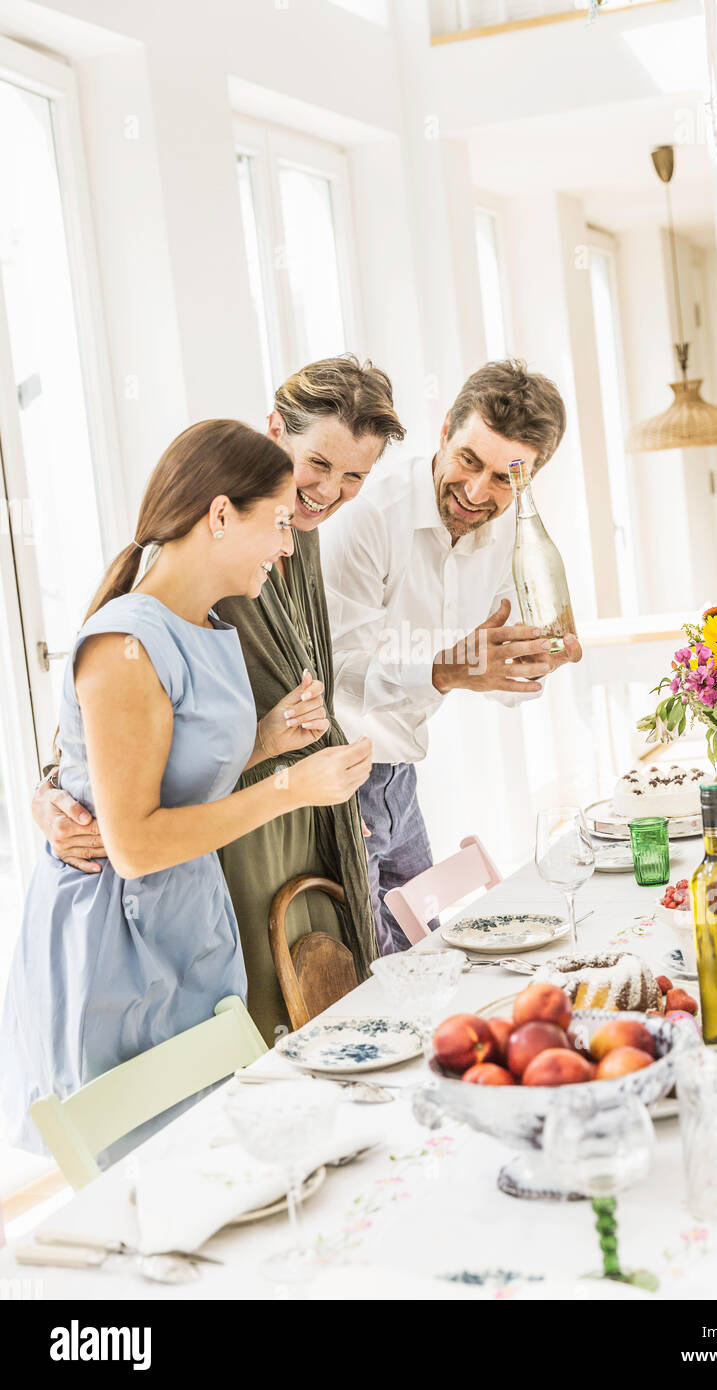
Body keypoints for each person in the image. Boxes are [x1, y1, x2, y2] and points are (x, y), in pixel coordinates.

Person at [1, 420, 372, 1154]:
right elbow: (135, 846)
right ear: (220, 515)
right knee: (139, 1156)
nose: (287, 545)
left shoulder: (202, 624)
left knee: (208, 1142)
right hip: (118, 934)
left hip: (186, 917)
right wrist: (292, 786)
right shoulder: (125, 644)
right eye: (277, 522)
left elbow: (175, 775)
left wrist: (265, 743)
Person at [32, 358, 406, 1044]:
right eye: (317, 464)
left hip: (276, 830)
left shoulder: (293, 542)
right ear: (273, 436)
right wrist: (49, 796)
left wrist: (280, 751)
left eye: (355, 477)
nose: (325, 494)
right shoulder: (208, 566)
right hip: (222, 850)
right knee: (250, 1051)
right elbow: (104, 733)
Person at [319, 359, 583, 953]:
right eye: (469, 460)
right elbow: (342, 670)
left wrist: (534, 658)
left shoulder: (511, 531)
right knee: (368, 972)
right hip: (335, 781)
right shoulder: (366, 518)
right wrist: (447, 667)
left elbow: (496, 660)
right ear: (444, 430)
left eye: (505, 478)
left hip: (398, 779)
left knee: (429, 959)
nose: (476, 493)